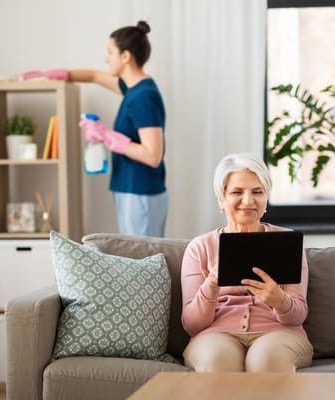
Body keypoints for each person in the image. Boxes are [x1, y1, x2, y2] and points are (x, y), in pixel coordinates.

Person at [27, 21, 167, 237]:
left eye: (110, 52)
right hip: (129, 189)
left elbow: (153, 155)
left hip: (140, 192)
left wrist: (107, 135)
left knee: (141, 261)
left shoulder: (144, 97)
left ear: (125, 56)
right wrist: (56, 75)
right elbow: (93, 76)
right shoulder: (132, 89)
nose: (106, 59)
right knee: (133, 259)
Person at [180, 152, 313, 372]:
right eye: (237, 192)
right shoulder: (200, 248)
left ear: (266, 198)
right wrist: (212, 285)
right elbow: (192, 325)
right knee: (216, 360)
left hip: (279, 334)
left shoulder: (287, 243)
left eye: (257, 192)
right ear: (221, 199)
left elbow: (298, 314)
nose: (248, 200)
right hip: (216, 335)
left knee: (265, 360)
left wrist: (279, 300)